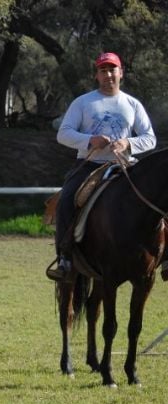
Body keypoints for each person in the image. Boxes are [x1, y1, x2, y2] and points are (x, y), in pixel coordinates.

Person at [47, 52, 156, 281]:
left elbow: (150, 138)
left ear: (121, 73)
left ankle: (164, 257)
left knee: (158, 197)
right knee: (67, 199)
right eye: (103, 70)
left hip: (125, 166)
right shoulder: (83, 102)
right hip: (90, 165)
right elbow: (63, 134)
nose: (108, 74)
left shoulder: (132, 104)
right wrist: (89, 140)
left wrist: (128, 142)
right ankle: (65, 257)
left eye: (112, 69)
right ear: (96, 75)